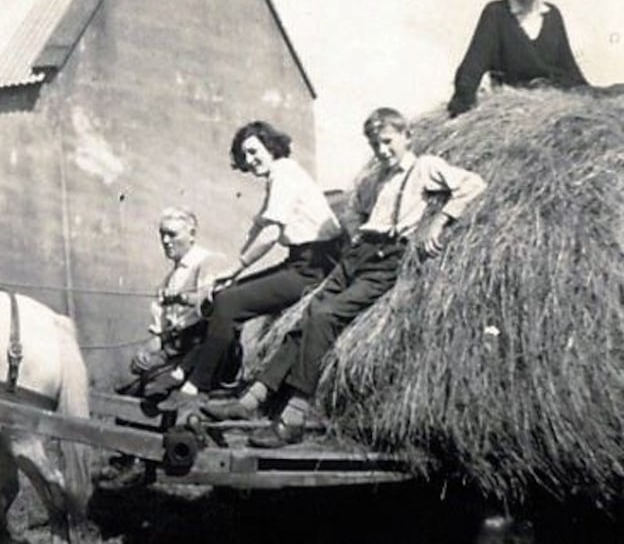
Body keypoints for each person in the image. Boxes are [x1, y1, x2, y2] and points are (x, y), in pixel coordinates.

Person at [202, 108, 487, 448]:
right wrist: (356, 233)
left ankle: (294, 415)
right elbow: (357, 211)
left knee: (324, 316)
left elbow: (473, 184)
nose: (382, 150)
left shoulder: (425, 167)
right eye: (375, 144)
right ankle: (249, 402)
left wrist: (439, 222)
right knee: (306, 316)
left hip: (388, 259)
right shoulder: (376, 179)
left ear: (406, 136)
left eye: (387, 142)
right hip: (357, 255)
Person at [147, 121, 346, 408]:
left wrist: (237, 267)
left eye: (254, 152)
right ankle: (184, 372)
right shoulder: (279, 175)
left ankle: (195, 388)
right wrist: (230, 275)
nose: (250, 161)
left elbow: (271, 234)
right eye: (245, 156)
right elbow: (258, 227)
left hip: (317, 265)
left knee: (228, 304)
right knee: (224, 296)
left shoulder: (285, 174)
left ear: (271, 147)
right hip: (301, 261)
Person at [117, 206, 229, 395]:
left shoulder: (209, 262)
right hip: (173, 348)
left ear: (191, 234)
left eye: (172, 234)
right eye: (162, 234)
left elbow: (212, 305)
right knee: (127, 383)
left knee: (150, 389)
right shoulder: (168, 280)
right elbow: (160, 334)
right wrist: (143, 353)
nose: (166, 241)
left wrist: (181, 298)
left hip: (199, 350)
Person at [447, 0, 588, 117]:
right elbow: (473, 64)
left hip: (554, 105)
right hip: (512, 107)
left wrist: (594, 99)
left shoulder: (552, 14)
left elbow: (568, 66)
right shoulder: (496, 13)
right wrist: (461, 106)